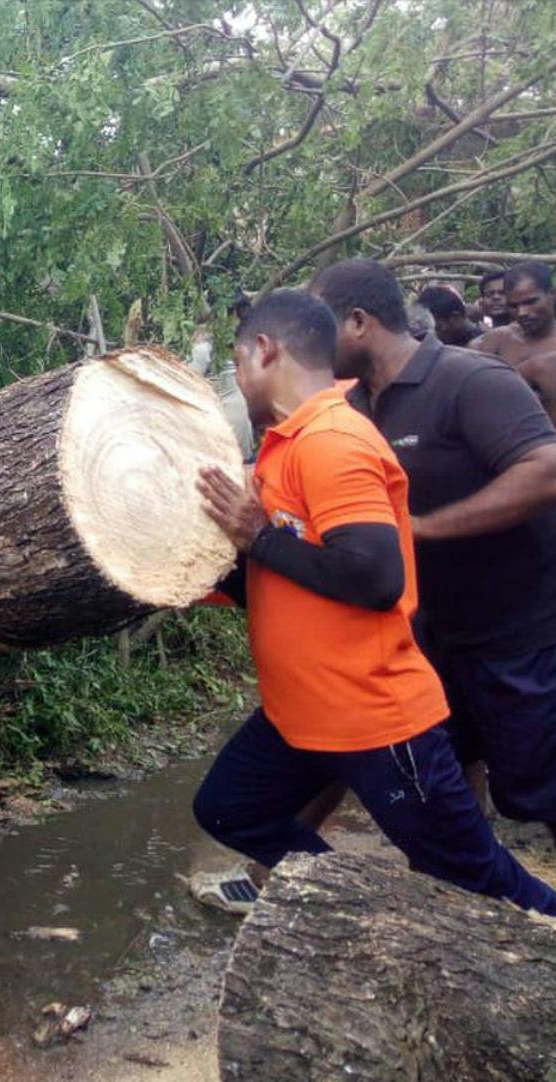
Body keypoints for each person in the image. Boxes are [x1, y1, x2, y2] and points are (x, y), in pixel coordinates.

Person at [190, 289, 555, 916]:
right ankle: (354, 911)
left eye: (238, 360)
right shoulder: (286, 443)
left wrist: (261, 538)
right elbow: (293, 571)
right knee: (228, 807)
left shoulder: (333, 440)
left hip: (372, 720)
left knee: (479, 880)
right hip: (301, 713)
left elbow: (375, 577)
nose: (239, 377)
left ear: (264, 349)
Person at [312, 258, 556, 848]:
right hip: (432, 633)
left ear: (360, 323)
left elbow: (546, 471)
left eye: (320, 329)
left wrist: (422, 529)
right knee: (449, 765)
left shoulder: (469, 380)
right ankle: (471, 895)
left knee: (540, 786)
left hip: (520, 632)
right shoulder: (353, 406)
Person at [469, 262, 556, 420]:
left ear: (552, 294)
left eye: (530, 302)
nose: (522, 312)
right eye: (513, 306)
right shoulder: (495, 341)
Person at [414, 285, 480, 347]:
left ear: (457, 316)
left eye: (439, 327)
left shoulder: (482, 343)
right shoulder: (422, 340)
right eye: (437, 328)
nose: (444, 328)